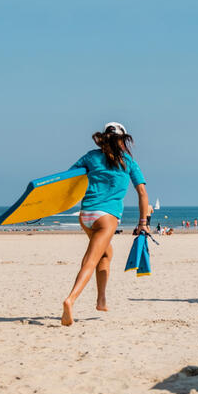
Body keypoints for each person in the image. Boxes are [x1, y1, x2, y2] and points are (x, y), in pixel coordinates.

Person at [61, 122, 148, 326]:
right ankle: (70, 300)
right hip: (107, 217)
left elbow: (68, 179)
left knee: (106, 254)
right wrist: (143, 222)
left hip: (86, 215)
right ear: (123, 139)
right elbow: (142, 194)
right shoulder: (128, 162)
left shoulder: (91, 157)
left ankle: (101, 300)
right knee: (90, 261)